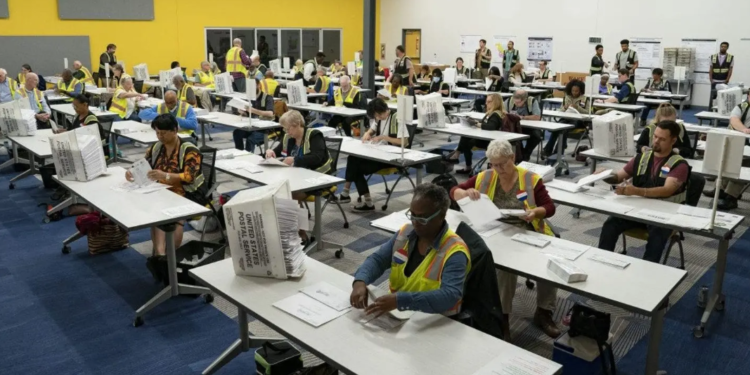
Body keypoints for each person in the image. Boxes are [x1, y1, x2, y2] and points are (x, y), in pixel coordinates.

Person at [450, 139, 560, 338]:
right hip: (497, 230)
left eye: (502, 163)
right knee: (503, 269)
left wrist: (536, 212)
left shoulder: (530, 179)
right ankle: (503, 317)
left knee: (549, 263)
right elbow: (453, 191)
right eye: (493, 164)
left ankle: (544, 311)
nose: (498, 168)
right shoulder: (486, 176)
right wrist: (465, 192)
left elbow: (550, 207)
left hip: (528, 229)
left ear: (513, 157)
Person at [350, 183, 470, 317]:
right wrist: (360, 281)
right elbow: (378, 260)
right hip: (400, 315)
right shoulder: (405, 234)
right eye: (412, 215)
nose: (415, 222)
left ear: (441, 216)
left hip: (436, 321)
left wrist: (400, 300)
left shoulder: (455, 251)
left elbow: (450, 295)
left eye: (422, 218)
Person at [598, 120, 689, 262]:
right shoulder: (642, 158)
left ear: (673, 140)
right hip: (638, 211)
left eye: (662, 139)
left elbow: (666, 191)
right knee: (611, 223)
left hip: (664, 215)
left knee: (657, 235)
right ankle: (601, 261)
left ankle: (648, 272)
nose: (656, 141)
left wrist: (635, 191)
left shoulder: (679, 164)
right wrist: (604, 175)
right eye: (655, 137)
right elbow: (618, 177)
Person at [125, 114, 205, 270]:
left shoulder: (189, 150)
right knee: (156, 213)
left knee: (173, 216)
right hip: (162, 190)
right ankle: (161, 256)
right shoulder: (156, 148)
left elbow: (189, 177)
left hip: (188, 192)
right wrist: (131, 172)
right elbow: (143, 164)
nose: (160, 136)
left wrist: (166, 176)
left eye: (163, 133)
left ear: (175, 130)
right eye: (157, 133)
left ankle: (169, 254)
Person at [338, 98, 408, 211]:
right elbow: (372, 129)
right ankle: (360, 199)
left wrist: (383, 137)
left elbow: (404, 142)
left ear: (383, 111)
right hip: (378, 154)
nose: (377, 119)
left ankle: (359, 199)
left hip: (391, 158)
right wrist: (367, 133)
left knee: (356, 167)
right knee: (353, 158)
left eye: (378, 116)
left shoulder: (397, 118)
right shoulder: (378, 118)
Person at [265, 110, 332, 205]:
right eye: (285, 129)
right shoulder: (288, 137)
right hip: (295, 177)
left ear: (298, 124)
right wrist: (270, 151)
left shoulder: (314, 135)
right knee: (275, 190)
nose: (287, 132)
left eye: (288, 129)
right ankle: (295, 215)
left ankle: (296, 217)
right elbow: (277, 152)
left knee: (286, 194)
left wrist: (294, 159)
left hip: (316, 177)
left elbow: (317, 157)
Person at [705, 91, 750, 210]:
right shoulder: (741, 106)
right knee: (726, 158)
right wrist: (745, 130)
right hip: (738, 142)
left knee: (744, 165)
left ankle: (731, 197)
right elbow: (734, 120)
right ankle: (719, 190)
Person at [447, 93, 507, 174]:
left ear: (495, 102)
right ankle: (458, 154)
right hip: (485, 137)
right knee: (465, 136)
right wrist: (475, 122)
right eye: (486, 101)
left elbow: (490, 127)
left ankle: (461, 158)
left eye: (489, 102)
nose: (486, 103)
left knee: (466, 142)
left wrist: (477, 124)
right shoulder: (492, 113)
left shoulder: (496, 114)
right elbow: (485, 124)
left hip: (489, 141)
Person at [544, 80, 589, 157]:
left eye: (576, 91)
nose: (574, 92)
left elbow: (587, 112)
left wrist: (577, 107)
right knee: (556, 129)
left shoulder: (584, 99)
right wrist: (564, 108)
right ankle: (548, 150)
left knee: (563, 130)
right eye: (573, 91)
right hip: (566, 118)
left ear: (581, 90)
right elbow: (560, 110)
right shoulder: (567, 97)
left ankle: (557, 153)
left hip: (578, 121)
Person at [232, 79, 275, 152]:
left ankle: (248, 158)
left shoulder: (267, 97)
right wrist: (243, 112)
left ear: (258, 85)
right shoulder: (250, 98)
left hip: (264, 129)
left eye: (252, 86)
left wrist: (253, 110)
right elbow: (248, 114)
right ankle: (239, 153)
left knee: (250, 140)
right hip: (252, 126)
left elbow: (270, 113)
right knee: (237, 133)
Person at [506, 90, 542, 161]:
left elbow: (537, 117)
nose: (516, 104)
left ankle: (526, 154)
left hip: (530, 127)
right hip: (515, 127)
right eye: (515, 102)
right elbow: (503, 112)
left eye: (519, 102)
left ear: (525, 100)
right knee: (512, 136)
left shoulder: (532, 101)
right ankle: (520, 155)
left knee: (537, 136)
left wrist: (522, 117)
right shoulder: (510, 100)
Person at [708, 42, 734, 109]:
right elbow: (711, 68)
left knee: (723, 97)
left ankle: (721, 110)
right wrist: (711, 79)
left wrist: (727, 80)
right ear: (720, 47)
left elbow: (730, 69)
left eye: (725, 46)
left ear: (727, 48)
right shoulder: (713, 57)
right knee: (713, 96)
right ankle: (711, 110)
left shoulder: (730, 57)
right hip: (714, 80)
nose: (723, 48)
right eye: (722, 46)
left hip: (724, 81)